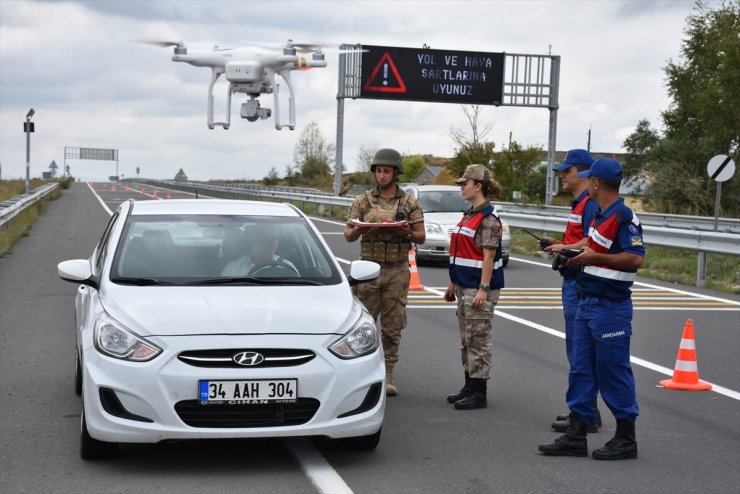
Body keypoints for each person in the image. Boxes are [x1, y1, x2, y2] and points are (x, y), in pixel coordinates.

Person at [538, 158, 645, 460]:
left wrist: (594, 259)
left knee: (613, 371)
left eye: (589, 179)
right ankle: (576, 432)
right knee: (581, 370)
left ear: (596, 184)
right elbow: (592, 247)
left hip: (610, 307)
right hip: (587, 301)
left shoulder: (624, 216)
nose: (586, 183)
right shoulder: (600, 214)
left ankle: (626, 437)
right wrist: (568, 253)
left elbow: (636, 258)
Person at [343, 148, 426, 396]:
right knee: (362, 327)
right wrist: (360, 227)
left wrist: (406, 233)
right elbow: (348, 235)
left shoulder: (409, 202)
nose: (381, 175)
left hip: (397, 272)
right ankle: (360, 376)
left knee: (392, 327)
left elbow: (421, 237)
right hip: (368, 271)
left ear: (396, 173)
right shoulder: (362, 201)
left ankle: (388, 374)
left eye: (386, 171)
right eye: (378, 171)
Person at [541, 149, 602, 434]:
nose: (563, 175)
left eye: (568, 170)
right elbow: (582, 238)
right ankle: (585, 411)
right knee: (578, 350)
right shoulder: (580, 203)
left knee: (580, 351)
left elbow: (593, 241)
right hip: (574, 278)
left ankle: (585, 414)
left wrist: (566, 249)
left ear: (585, 173)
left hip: (579, 280)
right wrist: (560, 243)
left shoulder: (589, 203)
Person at [443, 164, 504, 410]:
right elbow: (461, 254)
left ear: (478, 186)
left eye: (464, 183)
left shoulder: (488, 218)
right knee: (467, 338)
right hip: (464, 285)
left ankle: (479, 392)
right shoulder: (469, 214)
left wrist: (483, 289)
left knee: (478, 339)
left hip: (478, 288)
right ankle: (469, 385)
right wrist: (452, 283)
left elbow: (487, 257)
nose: (461, 188)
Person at [221, 224, 297, 276]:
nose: (272, 242)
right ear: (253, 239)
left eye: (275, 238)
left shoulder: (287, 267)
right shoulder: (234, 269)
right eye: (266, 237)